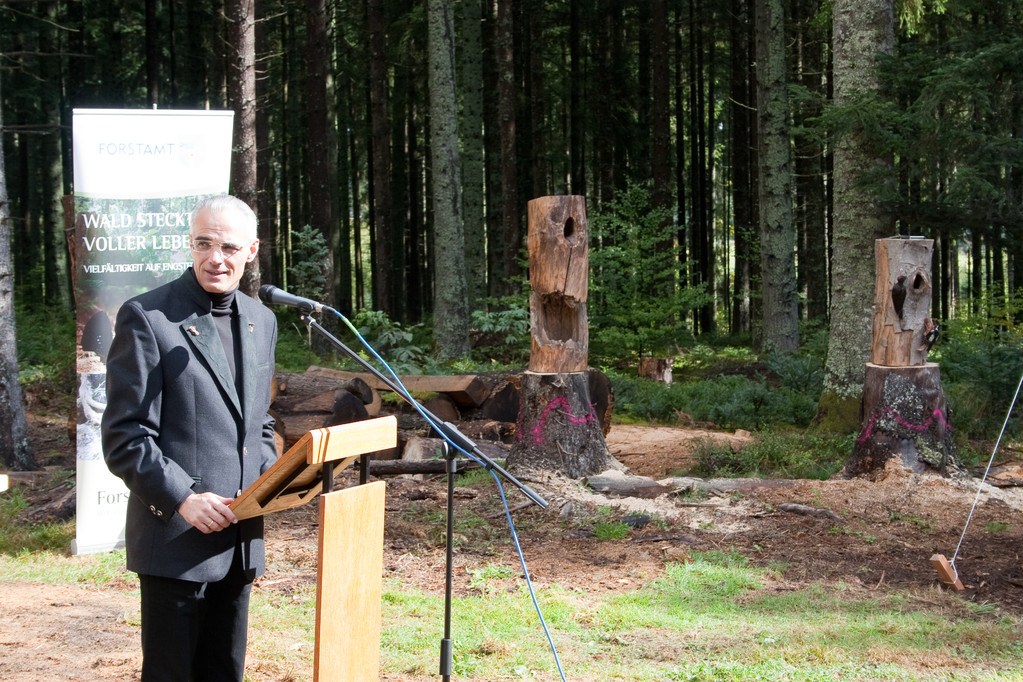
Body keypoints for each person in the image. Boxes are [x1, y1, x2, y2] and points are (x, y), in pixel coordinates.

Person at [102, 195, 278, 682]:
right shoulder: (149, 317)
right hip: (176, 542)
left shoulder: (261, 320)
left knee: (225, 672)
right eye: (204, 243)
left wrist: (268, 481)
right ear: (190, 244)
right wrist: (183, 498)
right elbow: (125, 434)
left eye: (228, 246)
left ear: (252, 251)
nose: (215, 258)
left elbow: (259, 424)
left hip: (240, 539)